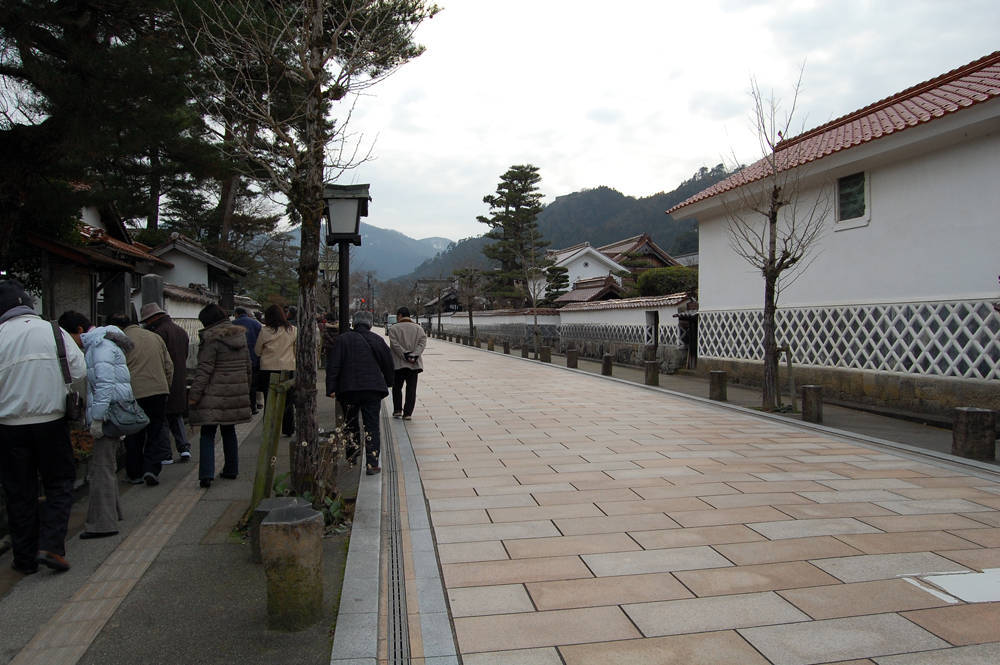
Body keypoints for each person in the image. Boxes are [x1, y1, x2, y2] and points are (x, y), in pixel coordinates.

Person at [0, 280, 86, 574]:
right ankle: (50, 546)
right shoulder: (53, 330)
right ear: (28, 305)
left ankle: (24, 559)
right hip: (51, 421)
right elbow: (78, 369)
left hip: (10, 424)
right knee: (60, 482)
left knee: (19, 491)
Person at [60, 311, 130, 539]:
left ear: (79, 331)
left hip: (108, 413)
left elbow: (104, 385)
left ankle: (102, 523)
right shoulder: (106, 342)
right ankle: (113, 513)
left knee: (100, 469)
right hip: (116, 409)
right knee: (107, 465)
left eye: (69, 337)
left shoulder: (98, 346)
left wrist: (98, 418)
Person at [188, 304, 252, 488]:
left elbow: (204, 370)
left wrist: (194, 394)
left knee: (207, 433)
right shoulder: (240, 337)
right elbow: (247, 366)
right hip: (234, 392)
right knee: (229, 431)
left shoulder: (212, 339)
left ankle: (206, 474)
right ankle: (231, 469)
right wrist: (245, 389)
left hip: (212, 393)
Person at [107, 313, 173, 486]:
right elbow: (169, 366)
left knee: (133, 434)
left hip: (133, 393)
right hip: (158, 390)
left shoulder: (120, 340)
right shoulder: (155, 337)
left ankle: (135, 472)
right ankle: (152, 469)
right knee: (155, 431)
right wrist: (165, 387)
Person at [326, 311, 394, 475]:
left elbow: (334, 365)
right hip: (372, 389)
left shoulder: (343, 339)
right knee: (372, 425)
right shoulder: (377, 340)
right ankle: (372, 463)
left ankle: (352, 456)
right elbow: (388, 364)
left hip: (348, 389)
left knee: (350, 423)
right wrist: (389, 382)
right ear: (370, 325)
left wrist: (331, 388)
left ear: (354, 324)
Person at [140, 303, 192, 462]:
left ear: (154, 318)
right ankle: (184, 448)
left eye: (147, 321)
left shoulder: (158, 333)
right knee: (176, 416)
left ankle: (166, 453)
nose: (147, 324)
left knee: (161, 418)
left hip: (163, 378)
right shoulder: (180, 330)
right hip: (180, 377)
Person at [255, 304, 297, 436]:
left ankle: (269, 428)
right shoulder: (292, 330)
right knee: (288, 400)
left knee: (269, 399)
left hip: (268, 368)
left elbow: (257, 351)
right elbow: (296, 349)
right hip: (288, 366)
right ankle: (288, 428)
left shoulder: (265, 331)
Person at [387, 306, 427, 421]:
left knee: (397, 387)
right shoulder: (418, 328)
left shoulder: (394, 328)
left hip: (398, 363)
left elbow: (395, 345)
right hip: (414, 364)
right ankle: (408, 412)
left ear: (399, 315)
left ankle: (397, 410)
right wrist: (414, 355)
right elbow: (422, 343)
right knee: (411, 388)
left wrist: (404, 354)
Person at [232, 306, 262, 415]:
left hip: (237, 360)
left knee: (238, 386)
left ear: (237, 314)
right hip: (254, 358)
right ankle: (252, 407)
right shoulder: (256, 324)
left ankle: (239, 409)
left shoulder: (232, 324)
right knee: (252, 386)